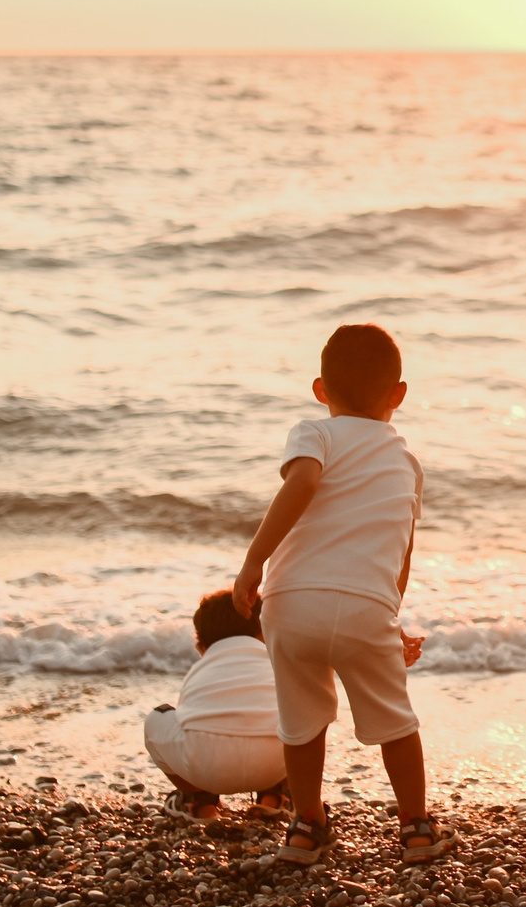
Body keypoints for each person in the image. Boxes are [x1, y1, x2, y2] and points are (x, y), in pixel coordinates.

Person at [231, 322, 446, 865]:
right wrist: (388, 620)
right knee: (395, 719)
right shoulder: (407, 464)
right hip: (367, 607)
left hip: (291, 601)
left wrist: (253, 562)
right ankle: (416, 828)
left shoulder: (315, 433)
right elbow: (402, 553)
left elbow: (300, 484)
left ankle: (306, 827)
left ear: (321, 388)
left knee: (301, 720)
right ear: (398, 394)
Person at [141, 590, 293, 820]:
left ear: (200, 642)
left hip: (207, 770)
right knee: (298, 714)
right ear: (265, 630)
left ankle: (199, 801)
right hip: (273, 767)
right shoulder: (277, 661)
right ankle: (275, 798)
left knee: (157, 717)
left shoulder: (203, 668)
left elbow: (187, 718)